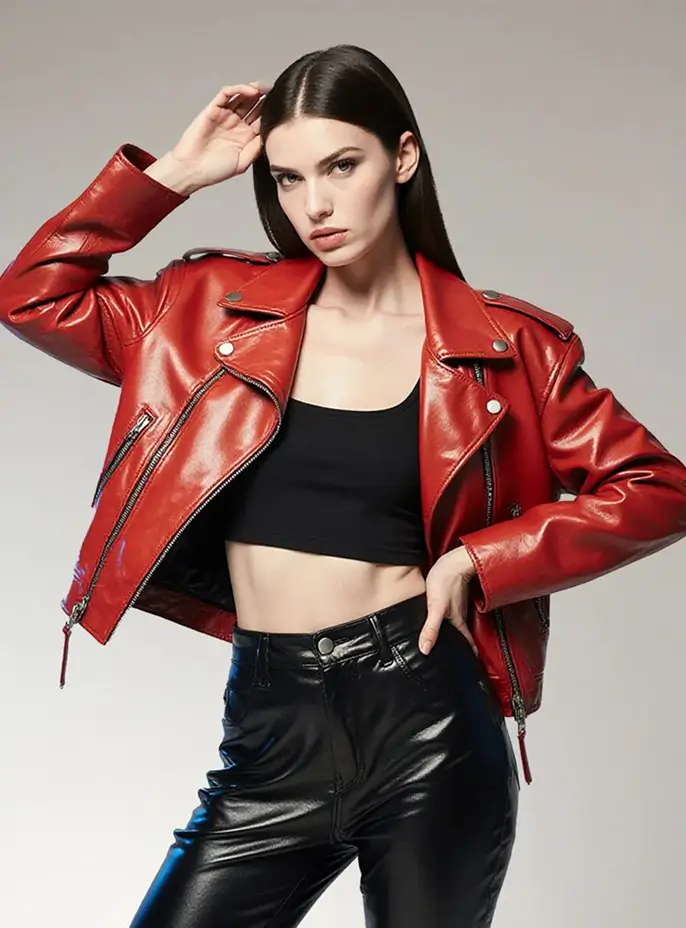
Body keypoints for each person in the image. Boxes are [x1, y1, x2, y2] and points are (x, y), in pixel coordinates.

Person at [1, 43, 685, 928]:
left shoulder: (508, 349)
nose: (314, 204)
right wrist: (173, 174)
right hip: (269, 730)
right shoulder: (205, 310)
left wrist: (480, 561)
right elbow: (33, 296)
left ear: (401, 158)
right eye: (287, 179)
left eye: (340, 166)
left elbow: (656, 485)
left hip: (427, 724)